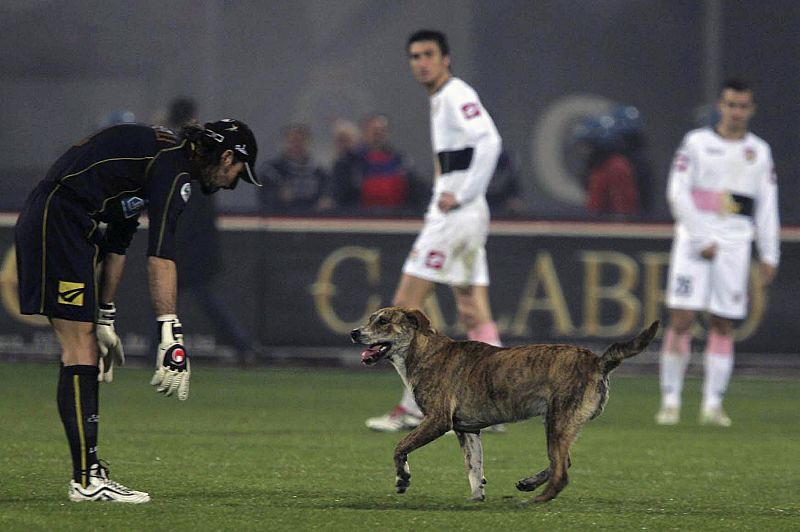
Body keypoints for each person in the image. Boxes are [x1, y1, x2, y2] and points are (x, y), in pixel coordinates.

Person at [14, 117, 261, 502]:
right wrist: (169, 331)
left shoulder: (156, 162)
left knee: (84, 348)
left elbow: (116, 246)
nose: (232, 182)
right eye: (238, 172)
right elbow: (161, 254)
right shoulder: (174, 170)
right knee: (78, 349)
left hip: (63, 219)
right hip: (60, 220)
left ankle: (88, 473)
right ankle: (86, 481)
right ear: (227, 156)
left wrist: (105, 315)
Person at [365, 29, 504, 432]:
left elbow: (490, 142)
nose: (420, 62)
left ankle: (413, 406)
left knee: (402, 311)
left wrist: (461, 194)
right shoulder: (441, 99)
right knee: (472, 309)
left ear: (446, 58)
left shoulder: (457, 94)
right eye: (414, 56)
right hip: (466, 215)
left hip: (458, 216)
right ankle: (496, 403)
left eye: (428, 54)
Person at [655, 78, 780, 427]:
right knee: (681, 318)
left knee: (723, 322)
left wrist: (770, 253)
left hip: (735, 243)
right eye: (731, 105)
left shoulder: (759, 151)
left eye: (743, 106)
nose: (736, 112)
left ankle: (712, 404)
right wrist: (698, 237)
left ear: (751, 110)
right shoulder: (696, 143)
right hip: (694, 242)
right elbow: (677, 193)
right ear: (720, 106)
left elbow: (767, 205)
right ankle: (670, 401)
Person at [164, 97, 261, 368]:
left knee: (170, 302)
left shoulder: (174, 150)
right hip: (197, 239)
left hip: (182, 238)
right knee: (196, 299)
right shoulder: (206, 147)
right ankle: (242, 347)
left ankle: (158, 353)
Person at [573, 114, 641, 218]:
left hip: (613, 229)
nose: (583, 150)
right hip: (597, 226)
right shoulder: (597, 167)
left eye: (586, 144)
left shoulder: (616, 167)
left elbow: (623, 209)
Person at [258, 123, 334, 214]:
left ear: (309, 143)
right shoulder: (270, 171)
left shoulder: (319, 171)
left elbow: (328, 195)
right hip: (280, 220)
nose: (296, 145)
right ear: (283, 143)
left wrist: (326, 201)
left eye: (300, 141)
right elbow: (264, 200)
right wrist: (278, 197)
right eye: (291, 141)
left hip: (312, 220)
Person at [485, 148, 526, 218]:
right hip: (478, 204)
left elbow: (516, 197)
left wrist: (515, 199)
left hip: (502, 204)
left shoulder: (507, 162)